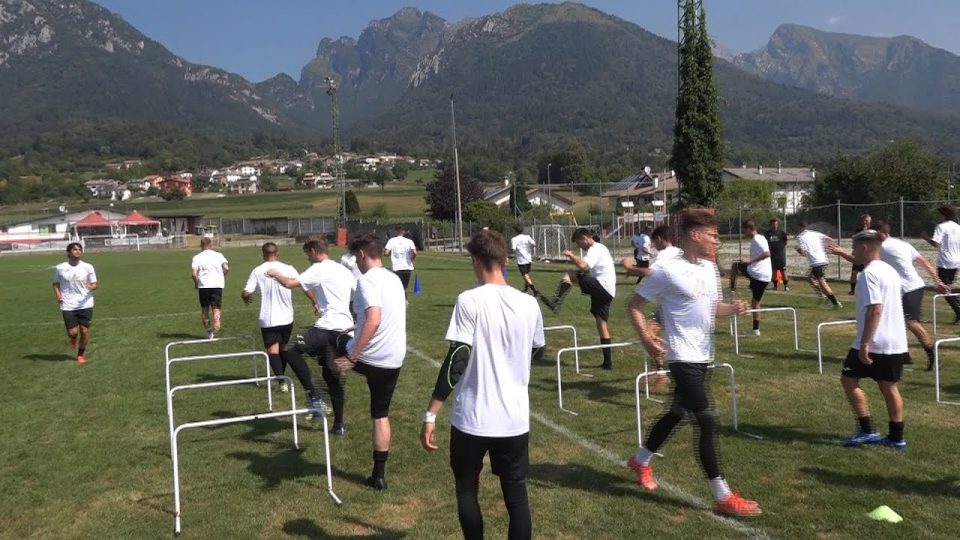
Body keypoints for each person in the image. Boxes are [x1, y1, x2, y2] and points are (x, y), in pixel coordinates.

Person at [626, 208, 761, 518]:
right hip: (681, 357)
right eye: (713, 236)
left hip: (704, 356)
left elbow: (712, 307)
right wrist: (648, 340)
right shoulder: (667, 270)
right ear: (696, 235)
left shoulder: (709, 270)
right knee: (706, 419)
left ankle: (640, 460)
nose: (717, 241)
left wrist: (734, 308)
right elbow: (634, 305)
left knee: (676, 412)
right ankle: (722, 494)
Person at [420, 229, 545, 540]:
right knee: (516, 499)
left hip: (471, 420)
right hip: (514, 421)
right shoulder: (529, 304)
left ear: (476, 260)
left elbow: (458, 358)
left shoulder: (469, 300)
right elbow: (538, 348)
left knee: (467, 492)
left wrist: (431, 413)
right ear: (504, 260)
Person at [330, 233, 407, 490]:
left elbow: (373, 320)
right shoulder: (395, 279)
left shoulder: (365, 281)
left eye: (356, 257)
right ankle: (379, 475)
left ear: (362, 254)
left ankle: (325, 402)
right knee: (380, 413)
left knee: (332, 339)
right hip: (394, 358)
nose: (356, 262)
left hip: (371, 358)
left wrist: (351, 358)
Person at [830, 221, 950, 371]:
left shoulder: (884, 247)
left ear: (882, 234)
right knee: (897, 321)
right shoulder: (902, 244)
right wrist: (937, 281)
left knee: (911, 322)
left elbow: (859, 261)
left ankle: (933, 356)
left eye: (875, 234)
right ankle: (904, 356)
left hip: (909, 288)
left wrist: (841, 252)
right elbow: (924, 261)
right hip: (908, 287)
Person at [270, 238, 357, 434]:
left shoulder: (320, 267)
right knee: (330, 376)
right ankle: (339, 425)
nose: (308, 258)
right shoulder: (344, 270)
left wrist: (276, 274)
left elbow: (291, 283)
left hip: (327, 328)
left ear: (314, 251)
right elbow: (357, 295)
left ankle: (314, 397)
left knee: (290, 349)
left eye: (308, 254)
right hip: (345, 331)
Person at [836, 229, 911, 450]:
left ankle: (867, 430)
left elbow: (875, 309)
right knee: (889, 387)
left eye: (854, 247)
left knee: (848, 380)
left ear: (865, 247)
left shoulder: (869, 273)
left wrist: (865, 343)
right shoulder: (890, 271)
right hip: (895, 341)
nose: (852, 252)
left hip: (873, 342)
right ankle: (897, 438)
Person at [540, 228, 617, 370]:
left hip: (602, 286)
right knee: (601, 324)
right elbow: (586, 269)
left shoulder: (595, 248)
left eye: (578, 243)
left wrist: (571, 255)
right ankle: (608, 363)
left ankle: (555, 302)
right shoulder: (598, 249)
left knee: (569, 274)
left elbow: (583, 266)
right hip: (608, 291)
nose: (579, 246)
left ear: (584, 238)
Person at [242, 242, 301, 394]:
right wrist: (314, 301)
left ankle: (282, 381)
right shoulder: (288, 268)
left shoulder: (257, 270)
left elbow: (247, 291)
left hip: (268, 318)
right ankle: (282, 378)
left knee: (273, 351)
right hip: (287, 316)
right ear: (278, 253)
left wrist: (246, 297)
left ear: (263, 254)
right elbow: (302, 283)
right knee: (283, 348)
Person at [53, 242, 98, 364]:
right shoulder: (60, 268)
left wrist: (91, 287)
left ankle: (80, 355)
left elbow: (95, 284)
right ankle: (73, 338)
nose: (78, 251)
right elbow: (55, 283)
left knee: (84, 330)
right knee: (73, 332)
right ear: (69, 252)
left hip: (86, 303)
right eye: (75, 249)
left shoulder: (88, 267)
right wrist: (58, 296)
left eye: (79, 249)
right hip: (68, 304)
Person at [728, 220, 772, 335]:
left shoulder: (757, 239)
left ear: (748, 229)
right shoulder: (761, 238)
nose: (744, 233)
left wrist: (749, 261)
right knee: (755, 302)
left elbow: (767, 253)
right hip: (766, 276)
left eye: (744, 231)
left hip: (757, 273)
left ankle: (732, 290)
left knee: (735, 265)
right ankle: (756, 330)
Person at [923, 205, 960, 323]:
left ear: (944, 215)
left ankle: (958, 312)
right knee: (948, 287)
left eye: (939, 214)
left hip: (945, 262)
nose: (938, 217)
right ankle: (958, 311)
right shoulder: (958, 227)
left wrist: (925, 238)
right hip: (956, 261)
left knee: (943, 288)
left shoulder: (941, 227)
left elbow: (936, 243)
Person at [795, 221, 842, 308]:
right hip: (823, 260)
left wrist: (798, 250)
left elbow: (803, 252)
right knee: (810, 278)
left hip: (816, 262)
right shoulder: (815, 233)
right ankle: (823, 295)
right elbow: (830, 240)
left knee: (822, 282)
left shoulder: (800, 237)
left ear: (799, 227)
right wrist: (830, 248)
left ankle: (835, 303)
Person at [191, 237, 229, 339]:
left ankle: (209, 332)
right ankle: (216, 320)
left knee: (204, 310)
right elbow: (226, 268)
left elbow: (194, 274)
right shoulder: (218, 255)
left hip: (204, 286)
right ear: (211, 244)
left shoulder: (197, 257)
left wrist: (196, 283)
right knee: (216, 308)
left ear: (201, 245)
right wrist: (222, 276)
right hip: (217, 285)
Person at [384, 226, 417, 294]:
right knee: (405, 286)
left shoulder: (391, 240)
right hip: (407, 266)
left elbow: (386, 253)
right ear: (404, 232)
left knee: (398, 286)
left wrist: (390, 253)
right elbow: (414, 252)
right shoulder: (409, 241)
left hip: (396, 267)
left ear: (396, 231)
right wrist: (412, 258)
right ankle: (405, 300)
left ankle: (399, 301)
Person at [510, 225, 538, 295]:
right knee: (526, 274)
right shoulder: (527, 237)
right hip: (528, 259)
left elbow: (513, 249)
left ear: (515, 231)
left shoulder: (514, 239)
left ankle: (534, 290)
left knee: (525, 275)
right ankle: (526, 288)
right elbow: (534, 244)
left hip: (521, 260)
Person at [848, 214, 872, 295]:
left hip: (868, 256)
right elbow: (855, 241)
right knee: (854, 272)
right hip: (858, 255)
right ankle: (852, 290)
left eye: (866, 221)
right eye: (863, 221)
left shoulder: (872, 231)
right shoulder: (858, 231)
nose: (864, 222)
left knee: (869, 273)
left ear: (870, 222)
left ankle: (869, 289)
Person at [764, 218, 789, 291]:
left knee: (783, 271)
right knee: (774, 271)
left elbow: (785, 241)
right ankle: (775, 286)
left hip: (780, 256)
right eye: (773, 225)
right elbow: (765, 243)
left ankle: (786, 286)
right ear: (770, 225)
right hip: (772, 256)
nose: (775, 226)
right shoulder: (767, 234)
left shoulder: (781, 233)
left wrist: (780, 248)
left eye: (776, 224)